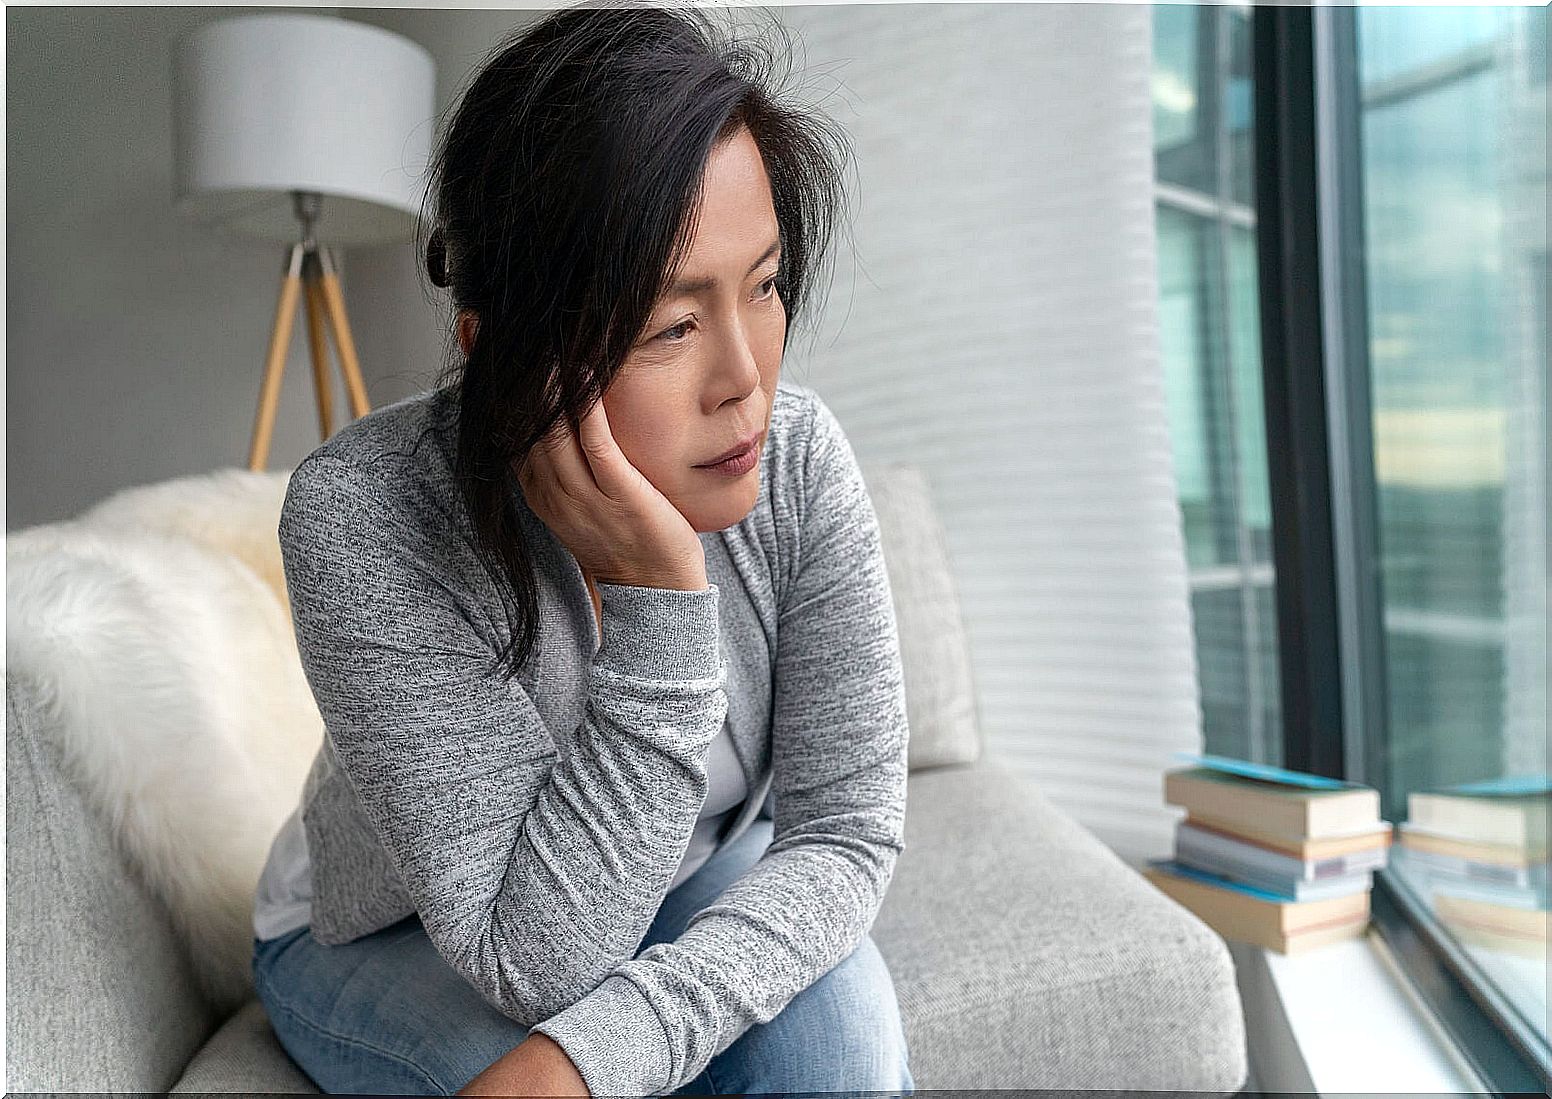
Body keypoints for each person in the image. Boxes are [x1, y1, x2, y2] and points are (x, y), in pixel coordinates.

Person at [250, 3, 914, 1095]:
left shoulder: (796, 458)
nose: (746, 377)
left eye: (765, 283)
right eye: (672, 325)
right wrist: (661, 594)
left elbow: (844, 835)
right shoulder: (362, 514)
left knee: (838, 1058)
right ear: (500, 350)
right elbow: (531, 961)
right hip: (401, 935)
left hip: (692, 879)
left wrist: (607, 1045)